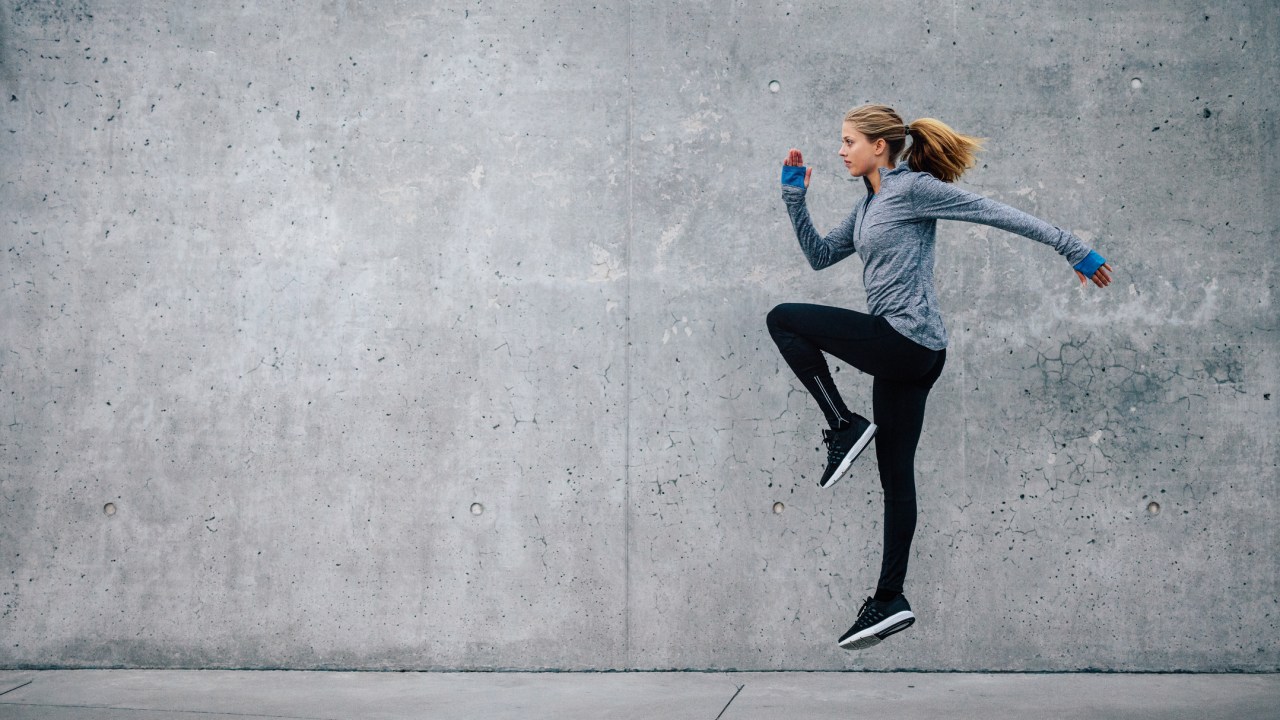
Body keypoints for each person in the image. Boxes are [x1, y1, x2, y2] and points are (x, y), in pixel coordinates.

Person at [767, 104, 1112, 651]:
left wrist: (1075, 248)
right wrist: (794, 199)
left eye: (848, 141)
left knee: (783, 318)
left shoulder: (911, 190)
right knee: (895, 478)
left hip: (904, 342)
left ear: (879, 146)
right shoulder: (869, 207)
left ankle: (843, 425)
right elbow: (819, 256)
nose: (840, 151)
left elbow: (992, 211)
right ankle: (889, 599)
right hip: (913, 352)